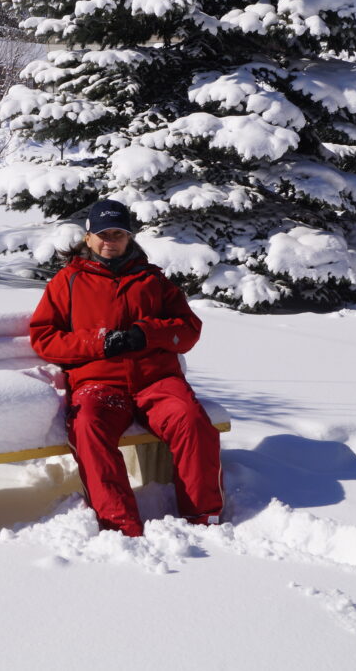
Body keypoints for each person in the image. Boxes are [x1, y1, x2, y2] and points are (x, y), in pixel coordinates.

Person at [29, 199, 224, 537]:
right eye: (103, 233)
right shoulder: (68, 281)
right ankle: (120, 526)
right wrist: (99, 343)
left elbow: (189, 329)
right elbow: (44, 338)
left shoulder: (152, 279)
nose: (111, 240)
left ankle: (203, 517)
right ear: (88, 237)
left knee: (192, 421)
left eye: (118, 233)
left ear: (129, 237)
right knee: (88, 427)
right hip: (98, 384)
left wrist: (148, 333)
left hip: (156, 381)